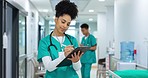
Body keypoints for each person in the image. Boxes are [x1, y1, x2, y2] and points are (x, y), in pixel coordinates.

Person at [37, 1, 83, 78]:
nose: (65, 26)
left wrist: (76, 61)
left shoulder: (72, 40)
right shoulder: (44, 42)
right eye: (63, 22)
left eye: (68, 24)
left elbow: (77, 68)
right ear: (56, 20)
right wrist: (64, 56)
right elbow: (49, 67)